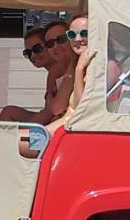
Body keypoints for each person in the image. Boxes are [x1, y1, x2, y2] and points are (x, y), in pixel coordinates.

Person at [20, 16, 94, 157]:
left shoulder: (88, 67)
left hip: (73, 132)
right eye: (49, 44)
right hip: (66, 127)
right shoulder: (78, 66)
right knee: (11, 139)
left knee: (15, 142)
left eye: (60, 40)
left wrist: (77, 69)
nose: (78, 39)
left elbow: (61, 108)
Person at [0, 23, 73, 124]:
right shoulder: (59, 68)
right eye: (27, 53)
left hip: (60, 121)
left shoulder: (57, 69)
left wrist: (30, 129)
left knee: (8, 112)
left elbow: (51, 111)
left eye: (37, 49)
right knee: (9, 111)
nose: (32, 56)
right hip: (57, 118)